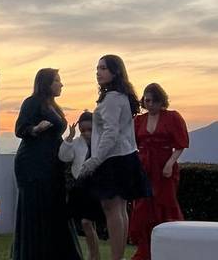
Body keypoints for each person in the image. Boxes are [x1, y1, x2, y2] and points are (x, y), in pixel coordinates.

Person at [78, 55, 151, 260]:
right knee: (119, 209)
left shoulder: (112, 99)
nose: (98, 72)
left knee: (112, 209)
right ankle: (117, 257)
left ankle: (116, 257)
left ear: (115, 71)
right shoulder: (119, 96)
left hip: (113, 158)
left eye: (103, 68)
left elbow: (110, 132)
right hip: (124, 156)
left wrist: (96, 159)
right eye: (97, 68)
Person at [12, 68, 82, 260]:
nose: (61, 84)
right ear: (46, 83)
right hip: (33, 163)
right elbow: (20, 129)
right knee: (37, 207)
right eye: (57, 80)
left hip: (51, 163)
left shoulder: (53, 106)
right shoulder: (32, 102)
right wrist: (36, 128)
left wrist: (67, 139)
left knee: (53, 206)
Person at [128, 83, 189, 260]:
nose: (150, 104)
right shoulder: (139, 120)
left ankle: (171, 248)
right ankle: (145, 251)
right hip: (144, 166)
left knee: (165, 205)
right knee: (143, 208)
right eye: (147, 100)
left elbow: (181, 144)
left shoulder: (173, 117)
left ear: (161, 101)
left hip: (164, 167)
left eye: (154, 100)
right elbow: (132, 144)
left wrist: (170, 163)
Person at [59, 111, 105, 260]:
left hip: (96, 187)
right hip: (81, 187)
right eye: (83, 130)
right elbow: (64, 156)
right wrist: (70, 138)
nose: (86, 133)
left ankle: (94, 255)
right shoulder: (77, 142)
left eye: (89, 129)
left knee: (87, 222)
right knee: (86, 224)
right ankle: (94, 255)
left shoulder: (101, 143)